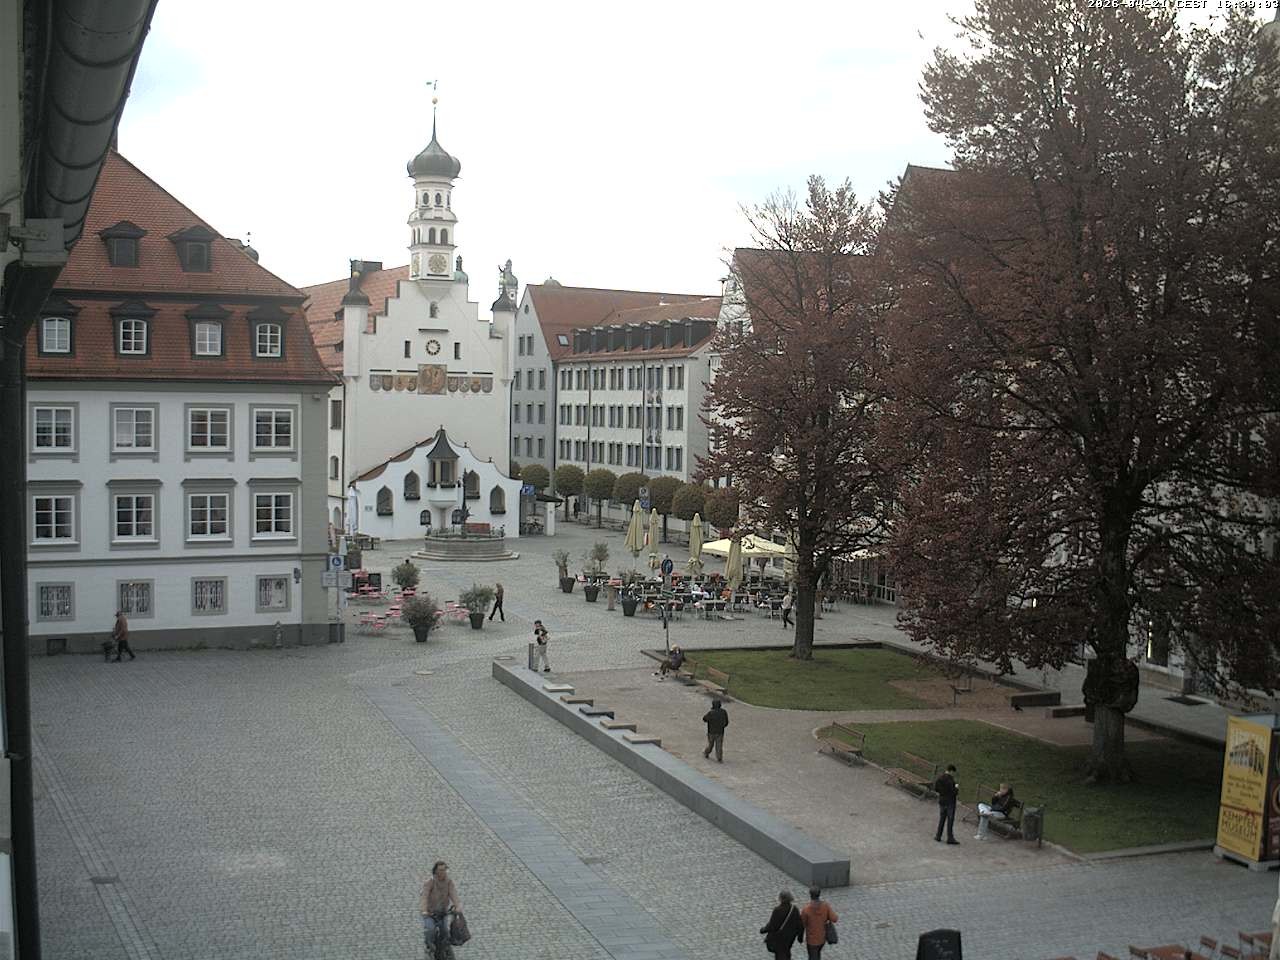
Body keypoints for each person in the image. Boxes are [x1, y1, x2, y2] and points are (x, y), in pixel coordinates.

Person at [420, 860, 461, 958]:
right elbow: (424, 897)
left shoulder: (449, 882)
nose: (443, 872)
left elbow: (453, 894)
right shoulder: (430, 882)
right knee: (430, 930)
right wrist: (424, 910)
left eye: (444, 870)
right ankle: (429, 947)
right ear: (436, 871)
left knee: (445, 932)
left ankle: (445, 949)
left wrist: (458, 905)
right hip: (430, 913)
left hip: (443, 912)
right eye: (440, 870)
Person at [760, 889, 805, 960]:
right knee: (787, 952)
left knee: (780, 955)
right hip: (790, 938)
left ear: (780, 898)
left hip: (780, 938)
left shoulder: (777, 910)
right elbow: (800, 925)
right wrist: (800, 937)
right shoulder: (794, 909)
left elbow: (772, 925)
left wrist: (763, 930)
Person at [800, 887, 838, 960]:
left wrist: (800, 937)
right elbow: (835, 919)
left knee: (813, 956)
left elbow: (802, 924)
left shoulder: (806, 910)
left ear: (810, 895)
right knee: (817, 954)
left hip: (811, 940)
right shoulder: (825, 906)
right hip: (822, 938)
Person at [934, 763, 959, 844]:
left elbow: (936, 788)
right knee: (950, 820)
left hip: (942, 800)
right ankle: (950, 838)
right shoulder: (951, 780)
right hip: (950, 802)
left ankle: (938, 835)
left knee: (942, 819)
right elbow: (953, 792)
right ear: (951, 771)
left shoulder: (940, 778)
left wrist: (942, 793)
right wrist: (956, 788)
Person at [702, 698, 729, 762]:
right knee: (719, 745)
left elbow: (704, 719)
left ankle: (706, 752)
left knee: (710, 744)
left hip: (711, 732)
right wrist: (723, 726)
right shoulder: (723, 712)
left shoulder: (711, 713)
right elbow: (726, 722)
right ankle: (719, 757)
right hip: (720, 731)